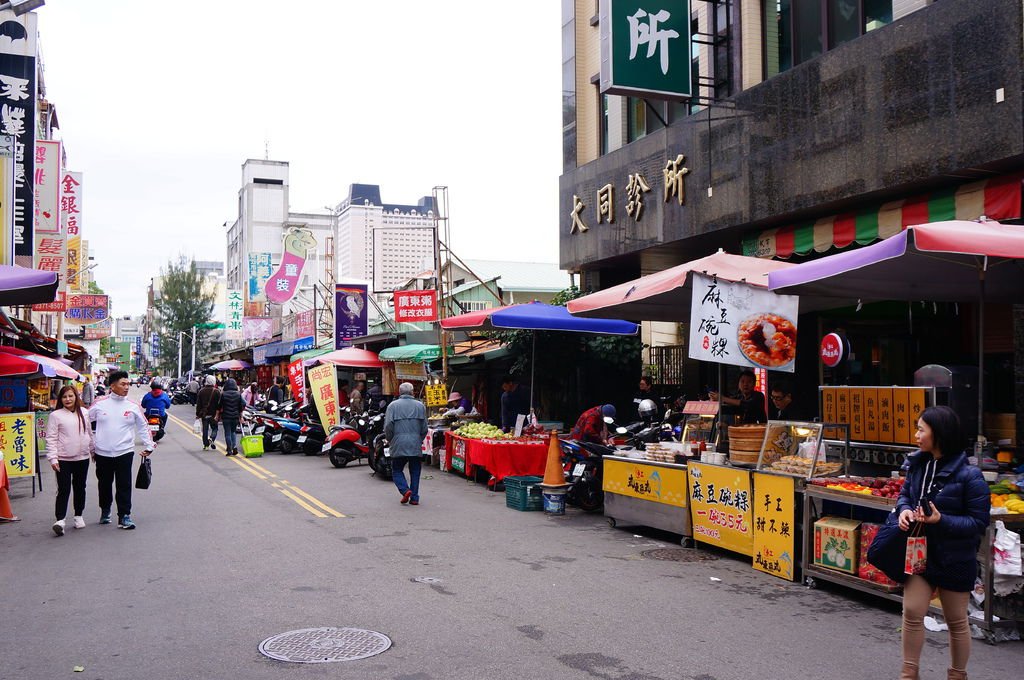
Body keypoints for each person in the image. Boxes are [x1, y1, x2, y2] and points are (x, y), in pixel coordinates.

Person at [895, 406, 989, 680]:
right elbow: (904, 495)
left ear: (940, 434)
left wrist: (941, 520)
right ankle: (909, 673)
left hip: (955, 557)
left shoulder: (971, 476)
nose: (916, 435)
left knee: (956, 621)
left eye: (921, 429)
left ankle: (957, 675)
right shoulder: (917, 465)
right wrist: (904, 510)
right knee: (912, 611)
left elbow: (977, 522)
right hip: (920, 551)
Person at [88, 370, 155, 530]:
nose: (126, 387)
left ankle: (124, 516)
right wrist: (91, 444)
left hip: (124, 452)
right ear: (112, 386)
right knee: (104, 484)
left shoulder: (132, 406)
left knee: (124, 484)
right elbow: (83, 423)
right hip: (102, 453)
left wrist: (149, 445)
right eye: (123, 384)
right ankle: (105, 511)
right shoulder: (99, 404)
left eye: (128, 384)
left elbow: (143, 426)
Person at [45, 385, 94, 536]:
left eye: (70, 396)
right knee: (64, 489)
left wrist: (92, 451)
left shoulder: (84, 413)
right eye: (64, 397)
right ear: (60, 399)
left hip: (82, 457)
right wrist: (53, 458)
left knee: (80, 487)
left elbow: (89, 433)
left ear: (76, 397)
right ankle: (60, 520)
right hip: (63, 459)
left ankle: (78, 515)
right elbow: (51, 438)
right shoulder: (56, 415)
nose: (68, 399)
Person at [385, 382, 428, 506]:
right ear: (412, 392)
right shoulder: (420, 406)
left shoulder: (393, 406)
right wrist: (419, 439)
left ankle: (405, 490)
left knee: (397, 469)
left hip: (398, 443)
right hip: (415, 443)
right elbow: (424, 428)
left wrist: (390, 439)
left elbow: (388, 426)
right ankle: (414, 497)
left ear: (399, 392)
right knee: (415, 471)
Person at [217, 378, 243, 456]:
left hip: (226, 416)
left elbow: (219, 406)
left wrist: (217, 415)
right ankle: (234, 447)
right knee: (233, 432)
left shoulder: (223, 394)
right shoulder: (238, 394)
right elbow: (240, 407)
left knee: (227, 433)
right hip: (235, 416)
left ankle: (229, 450)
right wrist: (241, 417)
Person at [196, 375, 222, 451]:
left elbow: (199, 404)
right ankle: (211, 438)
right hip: (213, 414)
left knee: (205, 430)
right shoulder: (217, 391)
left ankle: (206, 445)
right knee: (215, 428)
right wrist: (218, 413)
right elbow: (219, 404)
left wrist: (198, 414)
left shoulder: (201, 391)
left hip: (204, 414)